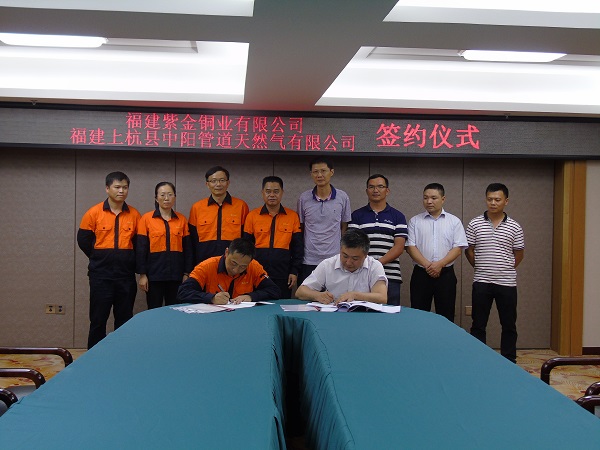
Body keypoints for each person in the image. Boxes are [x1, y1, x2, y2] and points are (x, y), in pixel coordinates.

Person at [77, 171, 141, 349]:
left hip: (125, 276)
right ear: (107, 188)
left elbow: (139, 244)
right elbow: (83, 240)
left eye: (125, 187)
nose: (121, 191)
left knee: (124, 319)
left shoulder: (135, 214)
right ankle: (95, 356)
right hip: (100, 276)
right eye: (117, 187)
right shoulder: (93, 213)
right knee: (98, 319)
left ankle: (121, 354)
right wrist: (99, 256)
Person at [465, 183, 525, 363]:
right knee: (478, 324)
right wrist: (481, 267)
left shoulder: (515, 226)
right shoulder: (475, 223)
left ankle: (509, 360)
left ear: (506, 201)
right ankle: (478, 359)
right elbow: (469, 250)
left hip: (506, 283)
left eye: (497, 200)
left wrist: (505, 268)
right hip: (481, 281)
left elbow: (519, 254)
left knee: (508, 324)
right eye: (489, 199)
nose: (493, 203)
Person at [406, 183, 468, 322]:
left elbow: (457, 249)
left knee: (446, 316)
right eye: (425, 198)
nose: (429, 201)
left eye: (433, 198)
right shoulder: (415, 221)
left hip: (446, 274)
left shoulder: (454, 221)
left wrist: (439, 264)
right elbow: (410, 247)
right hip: (421, 274)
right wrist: (429, 266)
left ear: (443, 199)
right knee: (418, 317)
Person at [349, 174, 407, 306]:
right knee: (361, 313)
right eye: (371, 187)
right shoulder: (357, 215)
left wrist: (376, 265)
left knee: (389, 314)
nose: (376, 190)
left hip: (390, 276)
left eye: (380, 187)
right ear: (366, 191)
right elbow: (353, 245)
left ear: (387, 190)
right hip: (362, 274)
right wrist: (369, 267)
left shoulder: (398, 216)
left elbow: (399, 247)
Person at [243, 176, 303, 298]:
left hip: (283, 273)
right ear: (262, 193)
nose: (272, 195)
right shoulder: (252, 216)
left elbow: (298, 247)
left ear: (282, 193)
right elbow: (246, 246)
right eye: (268, 191)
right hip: (257, 272)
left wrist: (294, 271)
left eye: (276, 191)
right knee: (258, 303)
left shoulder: (292, 216)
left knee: (281, 304)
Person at [136, 182, 193, 309]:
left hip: (177, 275)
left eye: (170, 194)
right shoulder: (146, 219)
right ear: (156, 198)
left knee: (175, 310)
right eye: (162, 195)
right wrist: (143, 275)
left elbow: (188, 249)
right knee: (154, 309)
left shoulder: (182, 220)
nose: (166, 198)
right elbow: (141, 249)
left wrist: (187, 273)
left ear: (175, 197)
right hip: (154, 276)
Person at [295, 229, 388, 305]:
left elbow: (382, 297)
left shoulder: (375, 266)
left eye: (355, 258)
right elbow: (300, 292)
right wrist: (317, 295)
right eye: (345, 256)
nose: (348, 262)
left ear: (365, 255)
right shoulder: (328, 264)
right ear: (340, 249)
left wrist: (355, 295)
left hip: (364, 316)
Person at [297, 157, 351, 285]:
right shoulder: (304, 198)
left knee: (334, 295)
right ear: (311, 174)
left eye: (323, 171)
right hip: (309, 259)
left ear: (331, 172)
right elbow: (301, 226)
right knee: (306, 294)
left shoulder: (342, 197)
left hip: (334, 259)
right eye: (315, 172)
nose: (319, 175)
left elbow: (344, 227)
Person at [177, 238, 280, 304]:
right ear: (226, 252)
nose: (236, 269)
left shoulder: (254, 267)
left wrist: (251, 296)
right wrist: (211, 298)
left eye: (243, 267)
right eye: (233, 263)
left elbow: (274, 291)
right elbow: (183, 292)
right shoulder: (207, 266)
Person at [188, 166, 249, 265]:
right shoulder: (197, 207)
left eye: (222, 180)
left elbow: (246, 238)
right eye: (214, 181)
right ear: (207, 184)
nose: (218, 184)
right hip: (204, 262)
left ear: (228, 183)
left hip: (233, 263)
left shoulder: (241, 206)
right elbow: (192, 241)